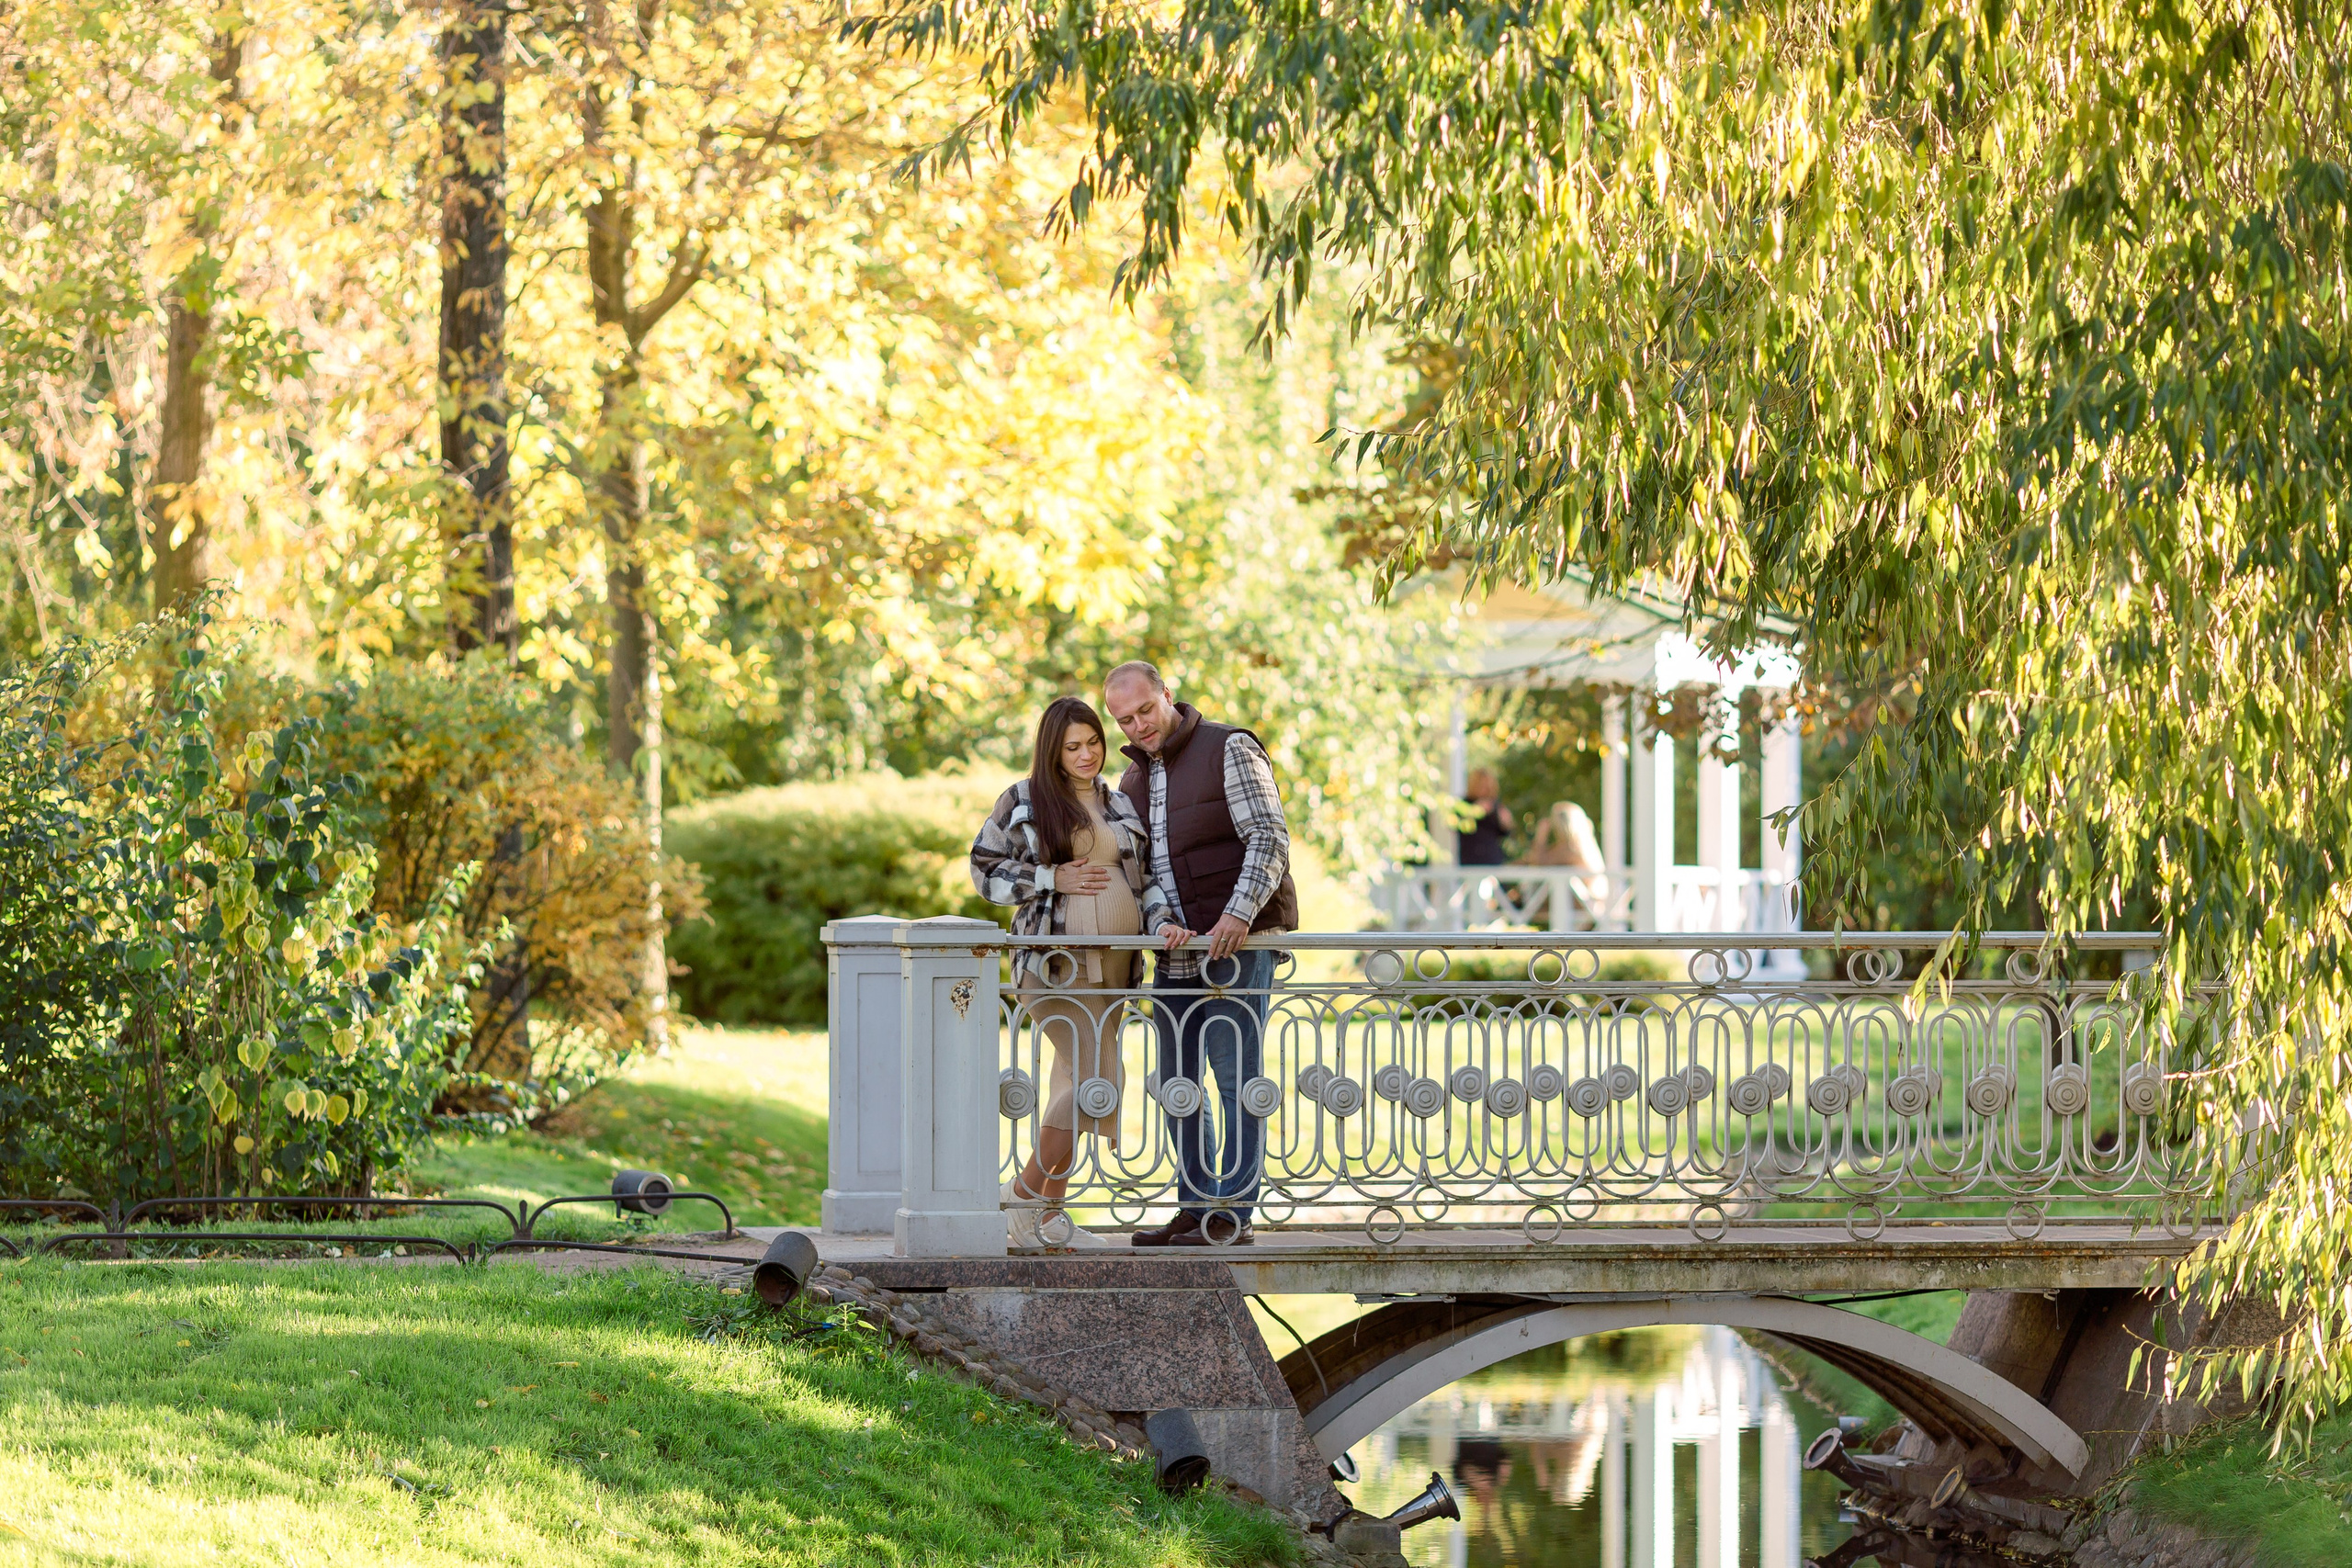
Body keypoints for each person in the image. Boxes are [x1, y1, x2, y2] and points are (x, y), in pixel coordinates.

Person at [1102, 660, 1297, 1247]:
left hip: (1240, 943)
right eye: (1124, 720)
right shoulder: (1131, 782)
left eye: (1145, 710)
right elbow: (1144, 872)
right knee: (1176, 1080)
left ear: (1167, 694)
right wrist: (1159, 921)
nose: (1138, 726)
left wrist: (1237, 915)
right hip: (1177, 951)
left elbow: (1269, 837)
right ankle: (1196, 1205)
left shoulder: (1228, 748)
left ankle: (1233, 1214)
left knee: (1235, 1077)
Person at [970, 695, 1171, 1249]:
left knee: (1076, 1080)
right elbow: (983, 869)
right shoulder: (1024, 800)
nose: (1087, 755)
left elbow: (1145, 880)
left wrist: (1162, 923)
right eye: (1072, 747)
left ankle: (1049, 1219)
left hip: (1117, 968)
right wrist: (1050, 878)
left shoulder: (1119, 802)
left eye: (1094, 742)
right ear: (1052, 752)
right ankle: (1022, 1194)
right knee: (1094, 1081)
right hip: (1054, 964)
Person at [1457, 768, 1512, 865]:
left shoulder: (1495, 805)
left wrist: (1506, 822)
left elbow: (1505, 833)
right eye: (1481, 786)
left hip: (1491, 859)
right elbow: (1457, 825)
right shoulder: (1464, 804)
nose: (1484, 790)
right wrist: (1475, 811)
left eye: (1487, 786)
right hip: (1470, 859)